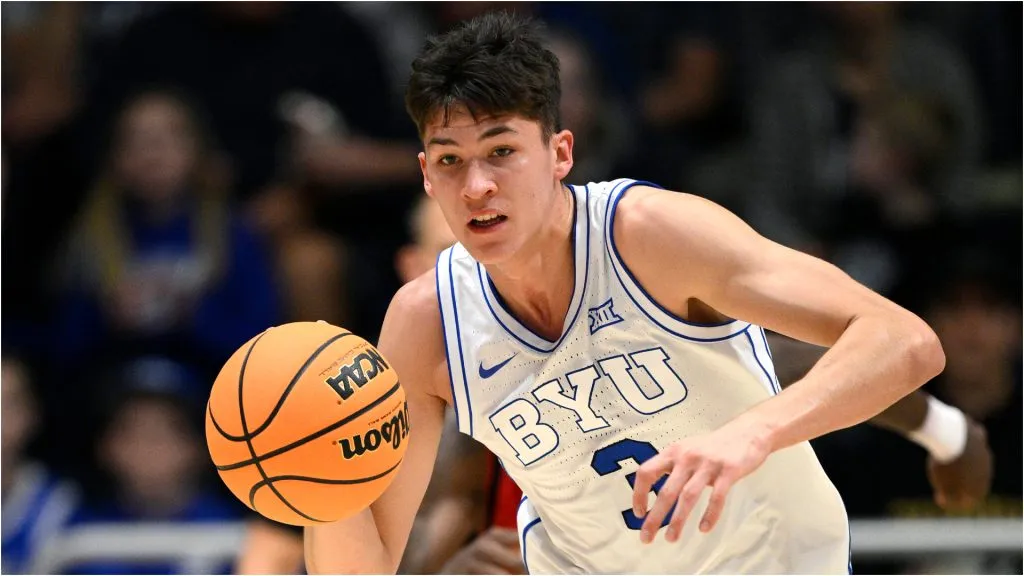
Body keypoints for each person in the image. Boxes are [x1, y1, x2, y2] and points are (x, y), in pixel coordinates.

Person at [305, 13, 991, 574]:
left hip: (774, 560)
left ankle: (945, 429)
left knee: (774, 360)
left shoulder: (651, 234)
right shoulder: (426, 321)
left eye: (501, 151)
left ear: (560, 154)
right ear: (426, 175)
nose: (476, 186)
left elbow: (906, 340)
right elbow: (367, 563)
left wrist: (749, 436)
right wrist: (314, 487)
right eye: (451, 160)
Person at [238, 197, 526, 575]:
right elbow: (266, 557)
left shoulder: (570, 367)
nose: (473, 271)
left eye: (488, 252)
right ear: (412, 267)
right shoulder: (349, 396)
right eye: (450, 253)